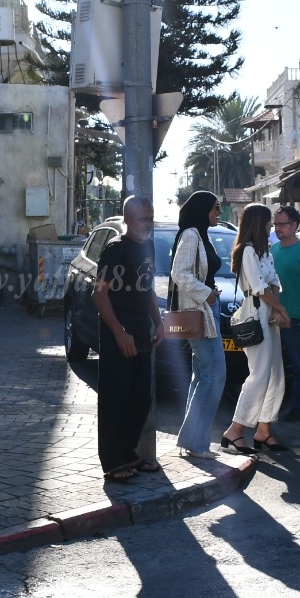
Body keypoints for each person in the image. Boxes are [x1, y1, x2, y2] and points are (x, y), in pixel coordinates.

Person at [91, 197, 164, 481]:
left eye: (150, 217)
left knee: (140, 397)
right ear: (128, 220)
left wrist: (158, 322)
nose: (147, 223)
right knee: (115, 398)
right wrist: (120, 332)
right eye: (141, 218)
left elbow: (147, 291)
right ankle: (112, 460)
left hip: (142, 332)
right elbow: (99, 294)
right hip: (117, 335)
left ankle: (129, 452)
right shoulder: (115, 249)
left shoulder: (148, 246)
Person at [222, 205, 292, 454]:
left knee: (276, 376)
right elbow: (259, 288)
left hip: (267, 312)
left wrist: (275, 309)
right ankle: (235, 430)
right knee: (259, 375)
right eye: (268, 221)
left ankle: (263, 430)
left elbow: (274, 284)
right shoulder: (248, 251)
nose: (271, 225)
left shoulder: (264, 251)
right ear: (258, 222)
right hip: (255, 313)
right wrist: (280, 310)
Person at [170, 191, 226, 458]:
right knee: (214, 376)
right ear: (203, 209)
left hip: (206, 308)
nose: (219, 213)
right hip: (199, 310)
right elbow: (179, 273)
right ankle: (196, 442)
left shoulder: (199, 234)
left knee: (203, 376)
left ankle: (193, 440)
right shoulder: (192, 234)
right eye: (216, 208)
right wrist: (208, 293)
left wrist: (211, 294)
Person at [270, 205, 300, 422]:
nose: (278, 228)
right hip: (275, 316)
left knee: (299, 365)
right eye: (276, 224)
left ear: (294, 225)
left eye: (282, 224)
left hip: (297, 315)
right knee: (274, 365)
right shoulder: (273, 250)